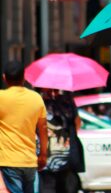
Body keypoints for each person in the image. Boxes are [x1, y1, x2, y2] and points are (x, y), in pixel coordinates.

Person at [0, 61, 48, 193]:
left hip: (9, 160)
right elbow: (43, 129)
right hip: (30, 160)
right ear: (24, 77)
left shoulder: (1, 98)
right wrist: (43, 154)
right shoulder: (36, 98)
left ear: (4, 78)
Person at [38, 88, 84, 193]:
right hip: (65, 155)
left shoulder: (40, 102)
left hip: (50, 157)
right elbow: (78, 123)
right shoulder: (68, 101)